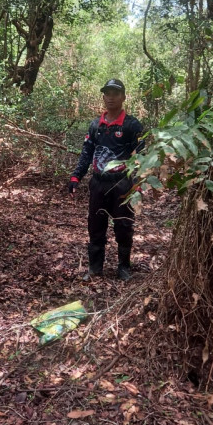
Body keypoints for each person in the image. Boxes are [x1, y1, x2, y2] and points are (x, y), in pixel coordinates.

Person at [68, 78, 144, 281]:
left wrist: (138, 179)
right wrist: (76, 176)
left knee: (124, 225)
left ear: (123, 97)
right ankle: (95, 268)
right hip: (98, 183)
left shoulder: (132, 125)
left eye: (115, 93)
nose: (110, 98)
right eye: (107, 93)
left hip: (122, 183)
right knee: (95, 225)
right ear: (103, 96)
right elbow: (87, 152)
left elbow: (144, 151)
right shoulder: (95, 125)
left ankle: (123, 267)